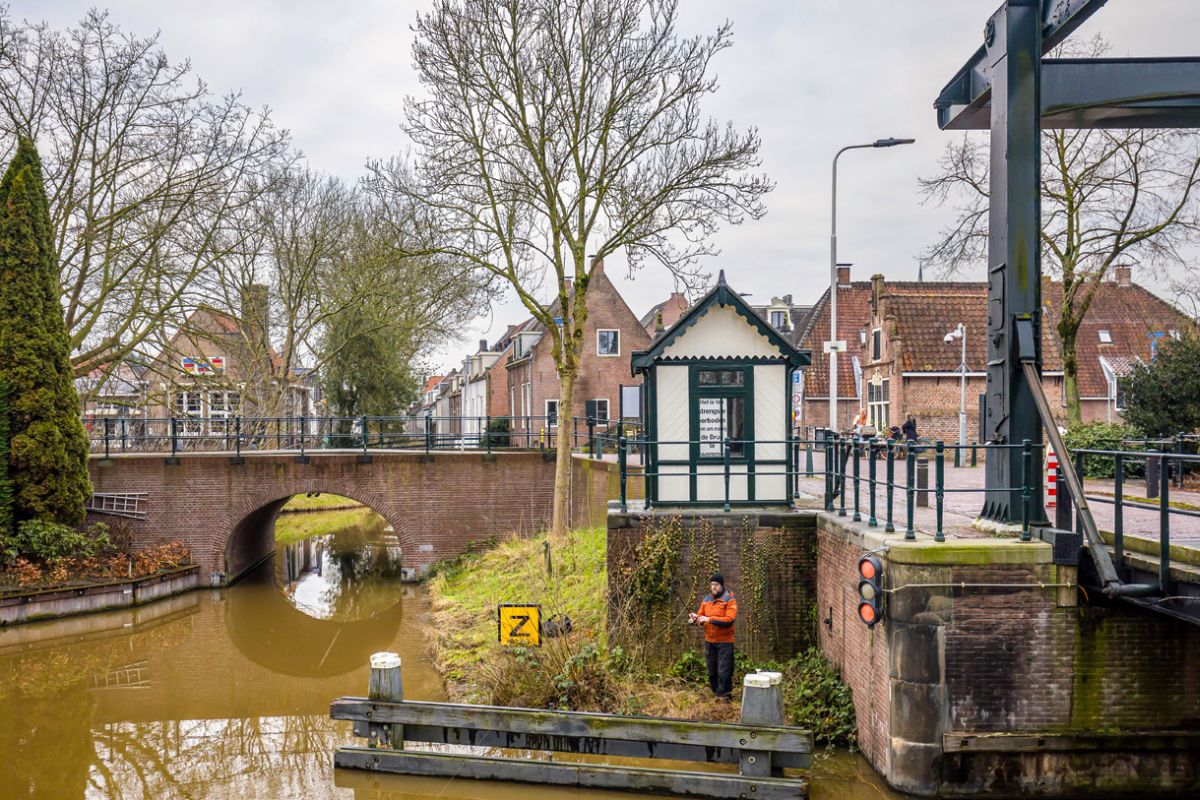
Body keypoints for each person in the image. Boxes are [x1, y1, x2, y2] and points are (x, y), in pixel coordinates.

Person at [688, 573, 738, 701]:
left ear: (721, 585)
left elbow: (729, 620)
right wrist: (695, 618)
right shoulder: (706, 599)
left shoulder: (729, 599)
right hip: (709, 642)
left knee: (723, 673)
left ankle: (724, 698)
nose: (713, 587)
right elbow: (700, 616)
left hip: (725, 643)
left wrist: (709, 619)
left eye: (716, 584)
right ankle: (718, 694)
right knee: (712, 672)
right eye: (712, 585)